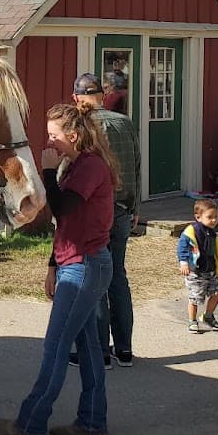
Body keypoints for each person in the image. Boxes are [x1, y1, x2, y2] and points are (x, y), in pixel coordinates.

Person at [0, 103, 116, 435]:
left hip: (85, 267)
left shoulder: (89, 168)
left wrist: (46, 172)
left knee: (56, 345)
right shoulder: (76, 167)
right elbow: (67, 225)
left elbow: (61, 208)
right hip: (78, 264)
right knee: (88, 345)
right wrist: (52, 265)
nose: (48, 143)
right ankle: (93, 422)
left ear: (73, 137)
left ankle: (31, 424)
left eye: (53, 136)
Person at [70, 72, 141, 369]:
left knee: (95, 278)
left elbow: (75, 169)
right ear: (101, 94)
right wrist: (136, 206)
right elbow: (137, 164)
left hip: (95, 212)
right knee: (118, 277)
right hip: (124, 207)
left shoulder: (84, 125)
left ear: (77, 97)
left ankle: (99, 352)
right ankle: (124, 349)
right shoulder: (124, 122)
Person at [178, 199, 218, 332]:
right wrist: (184, 262)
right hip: (195, 272)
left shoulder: (212, 233)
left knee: (217, 293)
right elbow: (182, 247)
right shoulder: (191, 231)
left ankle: (208, 316)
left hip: (210, 271)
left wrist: (217, 268)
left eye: (216, 217)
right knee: (195, 297)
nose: (214, 220)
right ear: (198, 217)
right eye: (210, 217)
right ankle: (192, 321)